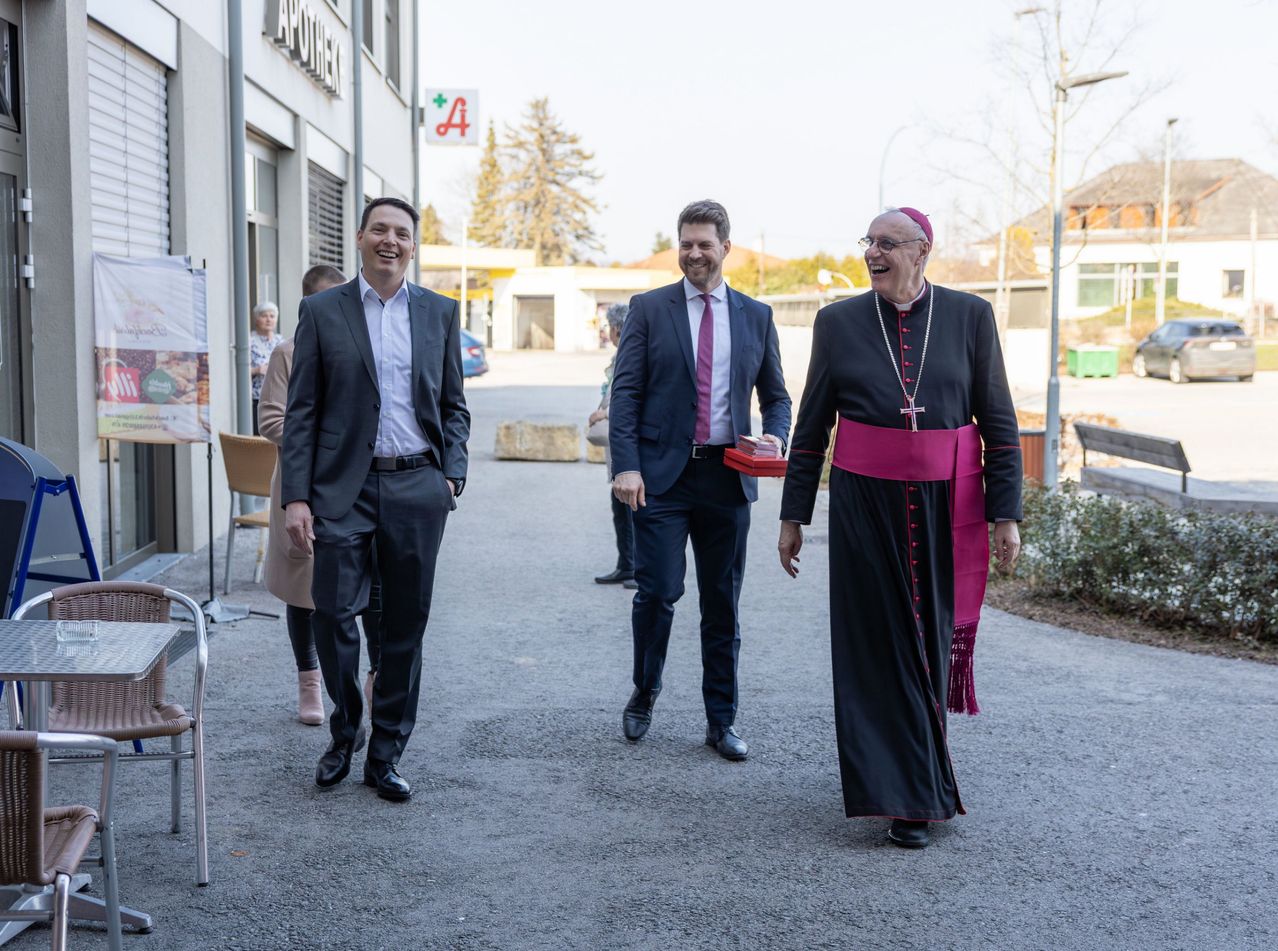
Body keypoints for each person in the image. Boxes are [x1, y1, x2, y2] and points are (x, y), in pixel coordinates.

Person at [777, 207, 1023, 849]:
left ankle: (912, 782)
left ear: (923, 250)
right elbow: (811, 429)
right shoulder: (837, 322)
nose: (873, 253)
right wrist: (793, 515)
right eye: (869, 243)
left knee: (927, 641)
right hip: (864, 507)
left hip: (946, 506)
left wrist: (1007, 513)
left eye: (887, 244)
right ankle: (905, 794)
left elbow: (997, 421)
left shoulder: (970, 316)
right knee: (875, 648)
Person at [282, 197, 470, 802]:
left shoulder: (439, 313)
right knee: (334, 615)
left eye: (403, 233)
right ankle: (345, 731)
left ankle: (385, 753)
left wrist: (451, 476)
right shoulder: (321, 311)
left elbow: (453, 406)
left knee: (404, 628)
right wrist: (296, 498)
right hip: (343, 489)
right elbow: (302, 412)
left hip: (419, 487)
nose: (391, 241)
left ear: (414, 246)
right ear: (360, 238)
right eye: (380, 230)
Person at [609, 199, 791, 761]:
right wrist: (626, 465)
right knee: (658, 592)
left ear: (725, 248)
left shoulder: (755, 316)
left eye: (704, 244)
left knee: (722, 604)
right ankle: (645, 691)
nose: (693, 253)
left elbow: (777, 397)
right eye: (686, 243)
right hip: (661, 478)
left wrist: (776, 436)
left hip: (726, 480)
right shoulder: (649, 308)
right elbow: (627, 393)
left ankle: (721, 720)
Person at [259, 265, 383, 728]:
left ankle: (374, 674)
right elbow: (271, 420)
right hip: (304, 485)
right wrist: (328, 438)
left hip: (362, 486)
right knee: (303, 589)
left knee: (372, 586)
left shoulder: (370, 348)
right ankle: (309, 680)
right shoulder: (287, 354)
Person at [591, 303, 637, 590]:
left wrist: (605, 414)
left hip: (628, 442)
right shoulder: (619, 356)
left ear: (618, 329)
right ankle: (627, 565)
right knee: (620, 506)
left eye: (610, 327)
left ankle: (636, 569)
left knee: (631, 507)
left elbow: (633, 399)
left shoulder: (631, 356)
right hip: (618, 442)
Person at [250, 301, 283, 434]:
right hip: (257, 398)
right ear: (256, 319)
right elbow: (235, 371)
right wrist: (256, 370)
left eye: (272, 316)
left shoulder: (281, 341)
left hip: (279, 398)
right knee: (259, 436)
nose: (269, 319)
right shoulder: (249, 341)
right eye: (264, 316)